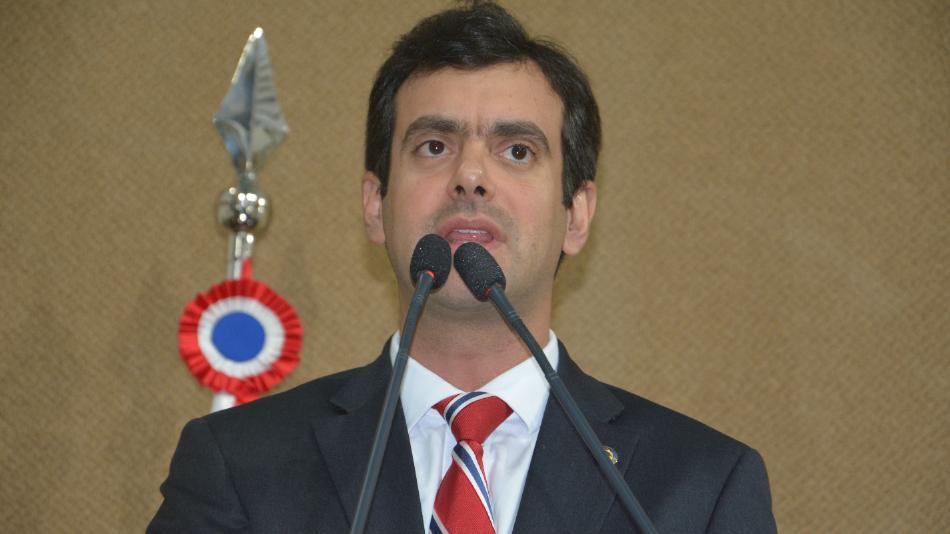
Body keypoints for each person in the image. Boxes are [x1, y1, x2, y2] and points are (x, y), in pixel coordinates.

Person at [148, 2, 776, 533]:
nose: (471, 176)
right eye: (434, 146)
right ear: (375, 205)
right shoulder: (239, 466)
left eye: (517, 150)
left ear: (577, 215)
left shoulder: (701, 487)